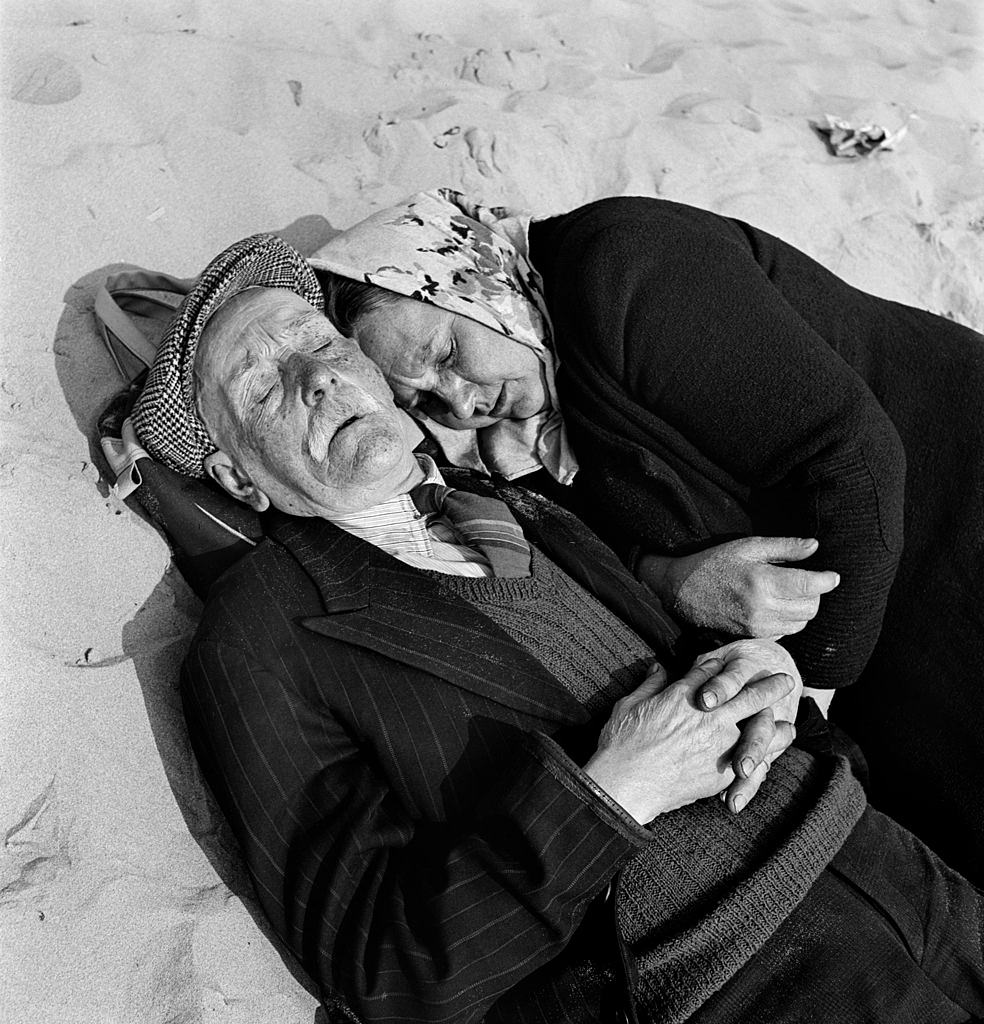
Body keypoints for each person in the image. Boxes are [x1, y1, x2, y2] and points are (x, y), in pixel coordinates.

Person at [128, 233, 984, 1024]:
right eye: (262, 385)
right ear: (238, 480)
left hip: (891, 866)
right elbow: (386, 969)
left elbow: (699, 671)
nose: (316, 379)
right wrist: (614, 792)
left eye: (320, 347)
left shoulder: (523, 509)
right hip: (741, 981)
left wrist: (774, 682)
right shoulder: (257, 639)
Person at [308, 189, 984, 883]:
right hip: (862, 597)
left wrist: (801, 688)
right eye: (422, 397)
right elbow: (597, 550)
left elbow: (854, 458)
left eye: (447, 351)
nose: (460, 400)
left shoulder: (621, 267)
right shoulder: (521, 437)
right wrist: (671, 579)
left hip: (948, 497)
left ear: (469, 273)